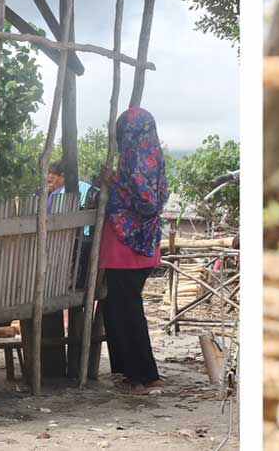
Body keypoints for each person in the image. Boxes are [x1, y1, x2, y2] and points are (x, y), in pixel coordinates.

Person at [96, 107, 171, 394]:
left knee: (126, 308)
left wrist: (113, 180)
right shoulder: (155, 155)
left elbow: (147, 201)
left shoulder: (132, 158)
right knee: (119, 307)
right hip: (145, 242)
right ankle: (131, 372)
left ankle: (144, 374)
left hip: (125, 243)